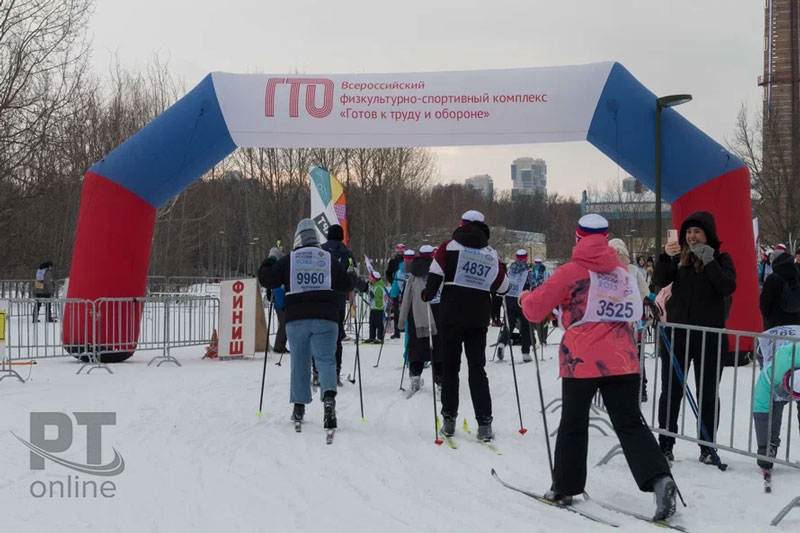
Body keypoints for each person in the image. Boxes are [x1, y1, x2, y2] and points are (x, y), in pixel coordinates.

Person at [520, 214, 676, 520]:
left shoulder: (571, 272)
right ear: (606, 239)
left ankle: (565, 487)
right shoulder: (622, 273)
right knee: (630, 423)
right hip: (624, 357)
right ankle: (660, 479)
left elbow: (536, 309)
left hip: (583, 360)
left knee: (574, 423)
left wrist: (524, 297)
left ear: (578, 238)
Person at [653, 211, 736, 464]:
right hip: (678, 334)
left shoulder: (721, 259)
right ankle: (666, 443)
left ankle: (707, 447)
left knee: (708, 392)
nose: (692, 236)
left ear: (708, 234)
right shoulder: (679, 259)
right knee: (671, 391)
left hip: (709, 336)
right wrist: (666, 258)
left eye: (697, 232)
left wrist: (709, 261)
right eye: (688, 232)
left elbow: (727, 286)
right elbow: (659, 280)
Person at [258, 219, 356, 431]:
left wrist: (271, 258)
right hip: (326, 317)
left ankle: (299, 406)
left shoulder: (289, 259)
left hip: (296, 319)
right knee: (326, 361)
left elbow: (267, 279)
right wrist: (351, 273)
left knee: (299, 362)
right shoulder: (327, 258)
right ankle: (329, 399)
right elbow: (345, 284)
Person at [423, 210, 509, 441]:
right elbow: (503, 287)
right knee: (477, 369)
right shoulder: (491, 253)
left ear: (462, 225)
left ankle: (449, 420)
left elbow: (434, 275)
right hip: (478, 318)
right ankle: (485, 423)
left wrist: (428, 294)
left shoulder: (448, 247)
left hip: (451, 315)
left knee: (451, 368)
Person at [609, 239, 651, 402]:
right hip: (618, 322)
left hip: (629, 323)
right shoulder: (607, 271)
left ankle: (640, 388)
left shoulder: (632, 270)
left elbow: (644, 292)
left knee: (634, 355)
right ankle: (632, 388)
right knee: (625, 356)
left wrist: (634, 305)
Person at [398, 245, 442, 394]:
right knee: (437, 350)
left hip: (417, 317)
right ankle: (440, 381)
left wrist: (402, 320)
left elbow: (406, 299)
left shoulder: (413, 275)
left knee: (416, 348)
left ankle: (415, 378)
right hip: (437, 315)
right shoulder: (440, 272)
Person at [753, 337, 800, 472]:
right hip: (771, 337)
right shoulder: (770, 375)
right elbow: (760, 409)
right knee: (774, 406)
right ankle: (770, 446)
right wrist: (763, 447)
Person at [320, 224, 355, 385]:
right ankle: (335, 373)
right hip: (338, 302)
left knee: (318, 337)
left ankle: (317, 372)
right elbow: (353, 272)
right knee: (336, 339)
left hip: (320, 299)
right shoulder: (347, 253)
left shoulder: (320, 250)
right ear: (341, 236)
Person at [497, 249, 533, 362]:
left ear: (516, 257)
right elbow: (533, 284)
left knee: (509, 324)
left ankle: (502, 343)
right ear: (526, 258)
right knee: (525, 326)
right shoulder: (528, 271)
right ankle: (526, 353)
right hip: (522, 300)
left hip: (509, 299)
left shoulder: (510, 269)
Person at [760, 251, 800, 330]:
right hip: (796, 323)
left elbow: (765, 303)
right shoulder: (797, 275)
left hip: (776, 322)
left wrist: (768, 317)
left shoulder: (773, 278)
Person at [389, 249, 414, 339]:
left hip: (403, 301)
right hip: (417, 302)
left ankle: (407, 350)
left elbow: (394, 292)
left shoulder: (399, 272)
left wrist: (393, 295)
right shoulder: (418, 270)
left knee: (408, 326)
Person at [529, 258, 551, 348]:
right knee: (542, 318)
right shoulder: (534, 272)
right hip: (541, 296)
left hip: (538, 296)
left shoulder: (533, 272)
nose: (537, 265)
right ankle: (543, 339)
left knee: (539, 319)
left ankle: (542, 339)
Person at [386, 244, 406, 337]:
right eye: (399, 252)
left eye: (402, 252)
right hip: (396, 286)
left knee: (406, 308)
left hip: (406, 286)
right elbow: (388, 273)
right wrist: (392, 282)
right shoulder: (393, 261)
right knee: (396, 309)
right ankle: (397, 330)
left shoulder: (407, 261)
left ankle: (405, 327)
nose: (400, 253)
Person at [365, 271, 385, 343]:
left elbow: (379, 297)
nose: (369, 279)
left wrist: (373, 296)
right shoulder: (373, 285)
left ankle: (380, 337)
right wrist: (368, 292)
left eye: (371, 277)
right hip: (373, 307)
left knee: (379, 323)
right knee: (372, 323)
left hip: (378, 308)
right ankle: (372, 337)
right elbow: (371, 294)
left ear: (375, 279)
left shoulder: (379, 286)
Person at [272, 285, 289, 353]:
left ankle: (281, 346)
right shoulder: (279, 284)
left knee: (285, 325)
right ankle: (278, 347)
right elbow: (278, 294)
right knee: (283, 325)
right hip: (281, 305)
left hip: (282, 305)